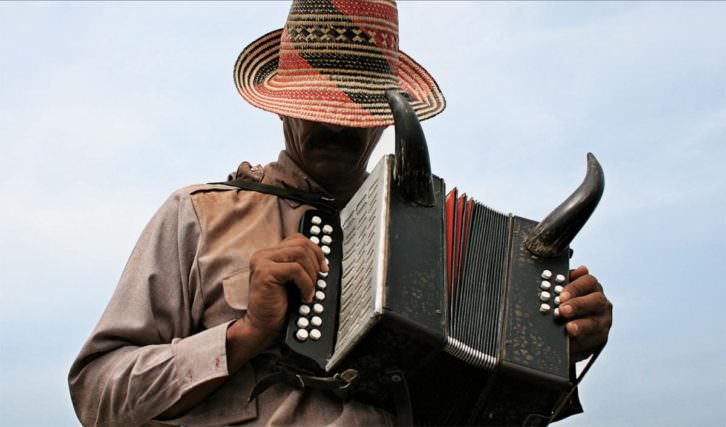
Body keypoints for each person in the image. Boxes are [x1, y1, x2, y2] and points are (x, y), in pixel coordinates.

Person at [68, 1, 613, 426]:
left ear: (382, 117)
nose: (334, 125)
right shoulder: (198, 215)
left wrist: (555, 353)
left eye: (355, 109)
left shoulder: (442, 244)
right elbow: (96, 394)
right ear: (281, 104)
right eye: (317, 106)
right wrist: (244, 337)